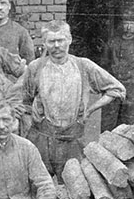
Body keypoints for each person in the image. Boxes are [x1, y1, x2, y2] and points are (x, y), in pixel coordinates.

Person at [15, 20, 126, 176]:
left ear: (69, 40)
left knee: (73, 183)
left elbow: (117, 89)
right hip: (41, 138)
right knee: (37, 183)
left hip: (72, 140)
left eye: (61, 40)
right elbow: (24, 101)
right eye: (51, 41)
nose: (56, 45)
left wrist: (90, 110)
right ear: (44, 43)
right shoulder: (36, 67)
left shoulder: (83, 66)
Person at [101, 12, 134, 128]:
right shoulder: (113, 43)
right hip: (114, 85)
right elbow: (104, 64)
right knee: (109, 120)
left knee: (131, 120)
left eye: (132, 24)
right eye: (126, 23)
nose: (128, 27)